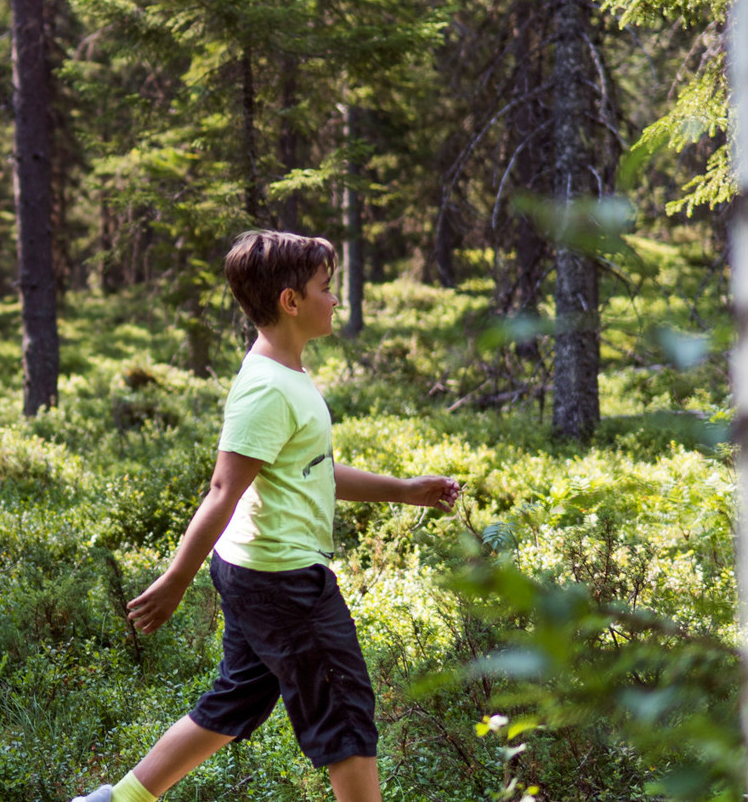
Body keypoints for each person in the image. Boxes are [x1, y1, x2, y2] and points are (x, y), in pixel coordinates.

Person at [71, 230, 461, 802]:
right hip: (283, 581)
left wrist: (404, 491)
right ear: (291, 301)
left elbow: (313, 468)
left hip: (256, 571)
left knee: (237, 697)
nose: (336, 301)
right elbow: (223, 491)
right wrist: (176, 579)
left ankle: (116, 800)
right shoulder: (267, 389)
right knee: (344, 711)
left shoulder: (286, 375)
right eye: (326, 288)